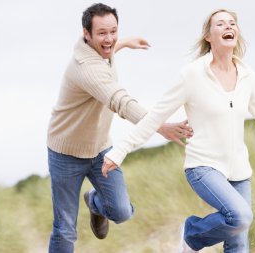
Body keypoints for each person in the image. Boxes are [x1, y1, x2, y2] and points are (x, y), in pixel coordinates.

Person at [102, 9, 255, 253]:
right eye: (220, 24)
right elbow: (155, 117)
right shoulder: (192, 75)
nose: (228, 27)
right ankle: (191, 234)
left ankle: (194, 237)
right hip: (203, 166)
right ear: (209, 36)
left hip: (240, 172)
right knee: (241, 216)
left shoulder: (247, 76)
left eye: (232, 23)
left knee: (239, 244)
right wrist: (119, 151)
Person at [46, 3, 193, 253]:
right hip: (65, 153)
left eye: (113, 31)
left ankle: (94, 202)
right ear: (86, 34)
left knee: (122, 211)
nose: (109, 39)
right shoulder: (86, 69)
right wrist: (159, 126)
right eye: (102, 33)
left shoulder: (100, 50)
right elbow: (120, 101)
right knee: (65, 228)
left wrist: (123, 43)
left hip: (100, 148)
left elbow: (108, 49)